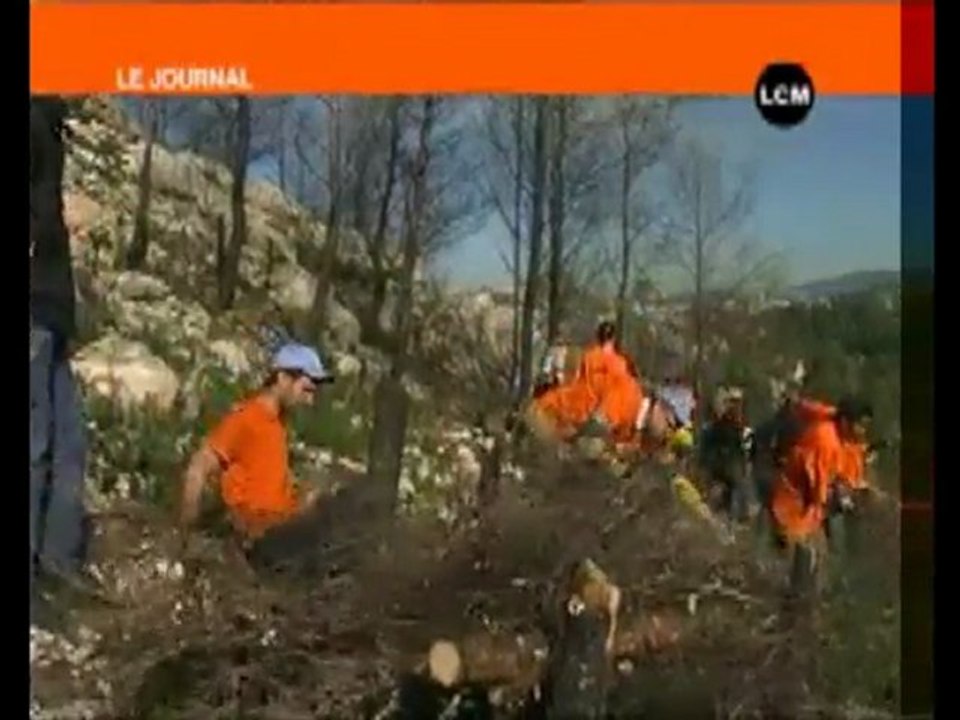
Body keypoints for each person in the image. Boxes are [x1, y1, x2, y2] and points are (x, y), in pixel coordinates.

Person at [178, 342, 335, 571]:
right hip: (253, 547)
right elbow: (198, 468)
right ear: (283, 379)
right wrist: (185, 533)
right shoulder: (248, 419)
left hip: (277, 542)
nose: (310, 400)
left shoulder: (278, 425)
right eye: (306, 390)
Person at [30, 96, 93, 598]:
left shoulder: (51, 127)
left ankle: (58, 566)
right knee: (35, 444)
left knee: (70, 444)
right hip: (32, 306)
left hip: (52, 312)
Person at [768, 396, 873, 601]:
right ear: (845, 423)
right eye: (861, 425)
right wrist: (841, 499)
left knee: (817, 562)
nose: (863, 431)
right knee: (804, 562)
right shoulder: (824, 440)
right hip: (795, 508)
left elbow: (846, 475)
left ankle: (804, 608)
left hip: (810, 510)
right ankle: (794, 612)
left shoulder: (845, 440)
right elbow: (818, 489)